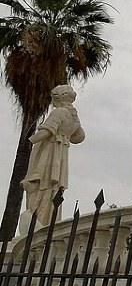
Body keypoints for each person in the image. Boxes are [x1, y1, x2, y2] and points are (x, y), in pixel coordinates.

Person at [20, 84, 85, 229]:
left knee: (41, 183)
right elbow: (79, 137)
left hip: (48, 151)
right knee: (52, 187)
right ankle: (47, 222)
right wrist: (66, 134)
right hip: (61, 152)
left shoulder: (58, 112)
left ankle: (39, 221)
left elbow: (48, 131)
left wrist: (30, 140)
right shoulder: (73, 115)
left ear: (57, 97)